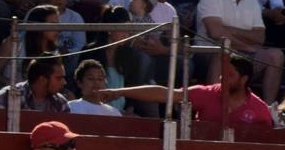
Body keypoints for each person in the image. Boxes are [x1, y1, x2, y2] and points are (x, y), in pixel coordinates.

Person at [195, 0, 283, 102]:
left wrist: (227, 29)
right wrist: (245, 44)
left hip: (243, 56)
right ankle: (213, 105)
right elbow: (215, 32)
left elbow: (259, 37)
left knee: (276, 55)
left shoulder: (252, 2)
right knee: (223, 53)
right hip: (209, 53)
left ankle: (268, 110)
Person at [104, 51, 274, 129]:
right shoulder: (207, 93)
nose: (222, 78)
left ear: (244, 80)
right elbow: (166, 94)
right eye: (222, 73)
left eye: (229, 75)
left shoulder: (260, 110)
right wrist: (120, 91)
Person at [0, 50, 70, 114]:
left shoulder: (61, 103)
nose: (64, 82)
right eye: (59, 78)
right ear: (42, 79)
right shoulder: (8, 96)